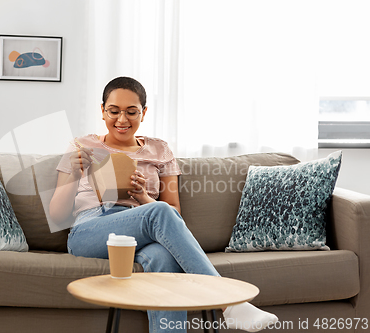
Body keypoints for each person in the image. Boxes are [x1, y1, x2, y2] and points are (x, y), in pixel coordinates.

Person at [49, 76, 278, 333]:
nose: (122, 120)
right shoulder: (82, 146)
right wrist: (75, 174)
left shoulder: (160, 150)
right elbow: (57, 217)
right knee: (158, 212)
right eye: (113, 111)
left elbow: (173, 211)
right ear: (102, 111)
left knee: (163, 259)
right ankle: (230, 304)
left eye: (131, 112)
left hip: (142, 228)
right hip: (91, 229)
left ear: (143, 113)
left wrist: (143, 198)